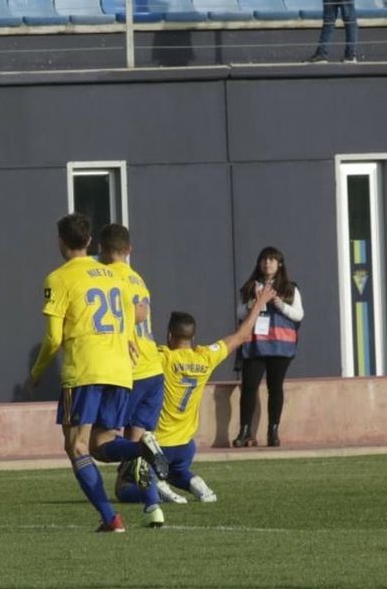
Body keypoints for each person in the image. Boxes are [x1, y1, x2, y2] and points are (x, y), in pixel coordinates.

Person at [28, 213, 168, 533]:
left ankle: (111, 518)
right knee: (100, 445)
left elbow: (52, 338)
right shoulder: (112, 276)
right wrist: (130, 342)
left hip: (85, 370)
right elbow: (132, 314)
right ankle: (140, 449)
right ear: (89, 241)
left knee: (76, 446)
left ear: (61, 242)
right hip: (120, 370)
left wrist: (37, 373)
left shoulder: (59, 278)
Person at [115, 286, 275, 508]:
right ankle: (196, 484)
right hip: (185, 447)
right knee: (176, 471)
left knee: (123, 488)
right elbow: (241, 335)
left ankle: (157, 489)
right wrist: (259, 303)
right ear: (192, 337)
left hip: (157, 445)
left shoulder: (162, 358)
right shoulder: (204, 357)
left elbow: (135, 350)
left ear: (170, 335)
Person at [97, 223, 166, 528]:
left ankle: (144, 451)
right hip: (154, 369)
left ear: (101, 250)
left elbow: (125, 318)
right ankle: (153, 507)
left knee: (99, 443)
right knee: (137, 453)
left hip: (129, 370)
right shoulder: (139, 279)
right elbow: (142, 314)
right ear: (129, 251)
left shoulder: (108, 278)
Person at [230, 246, 303, 447]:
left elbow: (299, 315)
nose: (267, 263)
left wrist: (280, 304)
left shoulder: (290, 288)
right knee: (249, 386)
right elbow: (240, 314)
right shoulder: (250, 286)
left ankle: (273, 431)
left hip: (281, 345)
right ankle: (245, 431)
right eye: (264, 260)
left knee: (275, 387)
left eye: (272, 260)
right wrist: (255, 301)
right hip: (255, 345)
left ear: (279, 264)